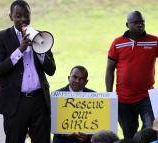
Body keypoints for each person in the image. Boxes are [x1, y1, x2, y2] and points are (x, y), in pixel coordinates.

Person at [0, 0, 56, 143]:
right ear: (11, 17)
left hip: (39, 101)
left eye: (26, 15)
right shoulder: (1, 37)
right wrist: (20, 50)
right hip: (15, 102)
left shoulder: (41, 36)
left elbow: (51, 70)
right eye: (18, 16)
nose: (23, 19)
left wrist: (39, 50)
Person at [105, 10, 157, 138]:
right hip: (123, 99)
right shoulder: (118, 43)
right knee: (129, 134)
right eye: (135, 22)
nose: (140, 25)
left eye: (142, 22)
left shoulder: (154, 41)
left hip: (147, 97)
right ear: (127, 24)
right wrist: (110, 94)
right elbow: (109, 69)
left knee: (150, 131)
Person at [52, 65, 94, 143]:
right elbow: (50, 122)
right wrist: (64, 133)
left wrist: (88, 136)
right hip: (62, 140)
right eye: (74, 77)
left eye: (81, 79)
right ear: (69, 78)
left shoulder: (94, 96)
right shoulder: (56, 95)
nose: (77, 81)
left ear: (86, 82)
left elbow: (98, 123)